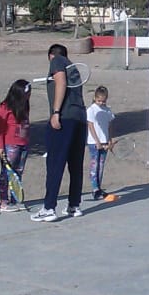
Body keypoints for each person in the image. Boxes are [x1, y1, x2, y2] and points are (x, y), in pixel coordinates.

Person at [32, 43, 88, 222]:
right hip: (80, 118)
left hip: (64, 118)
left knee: (55, 163)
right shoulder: (74, 69)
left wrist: (56, 112)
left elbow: (61, 82)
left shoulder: (57, 61)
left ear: (51, 55)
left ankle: (49, 208)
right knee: (75, 164)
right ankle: (74, 205)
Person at [0, 79, 31, 213]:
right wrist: (0, 148)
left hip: (24, 145)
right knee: (6, 174)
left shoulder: (25, 105)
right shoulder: (4, 107)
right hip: (10, 146)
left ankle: (16, 199)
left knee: (18, 173)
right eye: (27, 94)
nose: (28, 97)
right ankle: (4, 201)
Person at [86, 85, 115, 201]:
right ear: (95, 98)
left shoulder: (107, 110)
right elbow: (91, 126)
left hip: (104, 141)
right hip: (94, 142)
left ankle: (99, 186)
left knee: (101, 165)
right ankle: (95, 188)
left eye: (103, 101)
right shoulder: (91, 110)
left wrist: (110, 140)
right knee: (95, 165)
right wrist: (97, 141)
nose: (101, 103)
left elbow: (109, 125)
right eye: (99, 101)